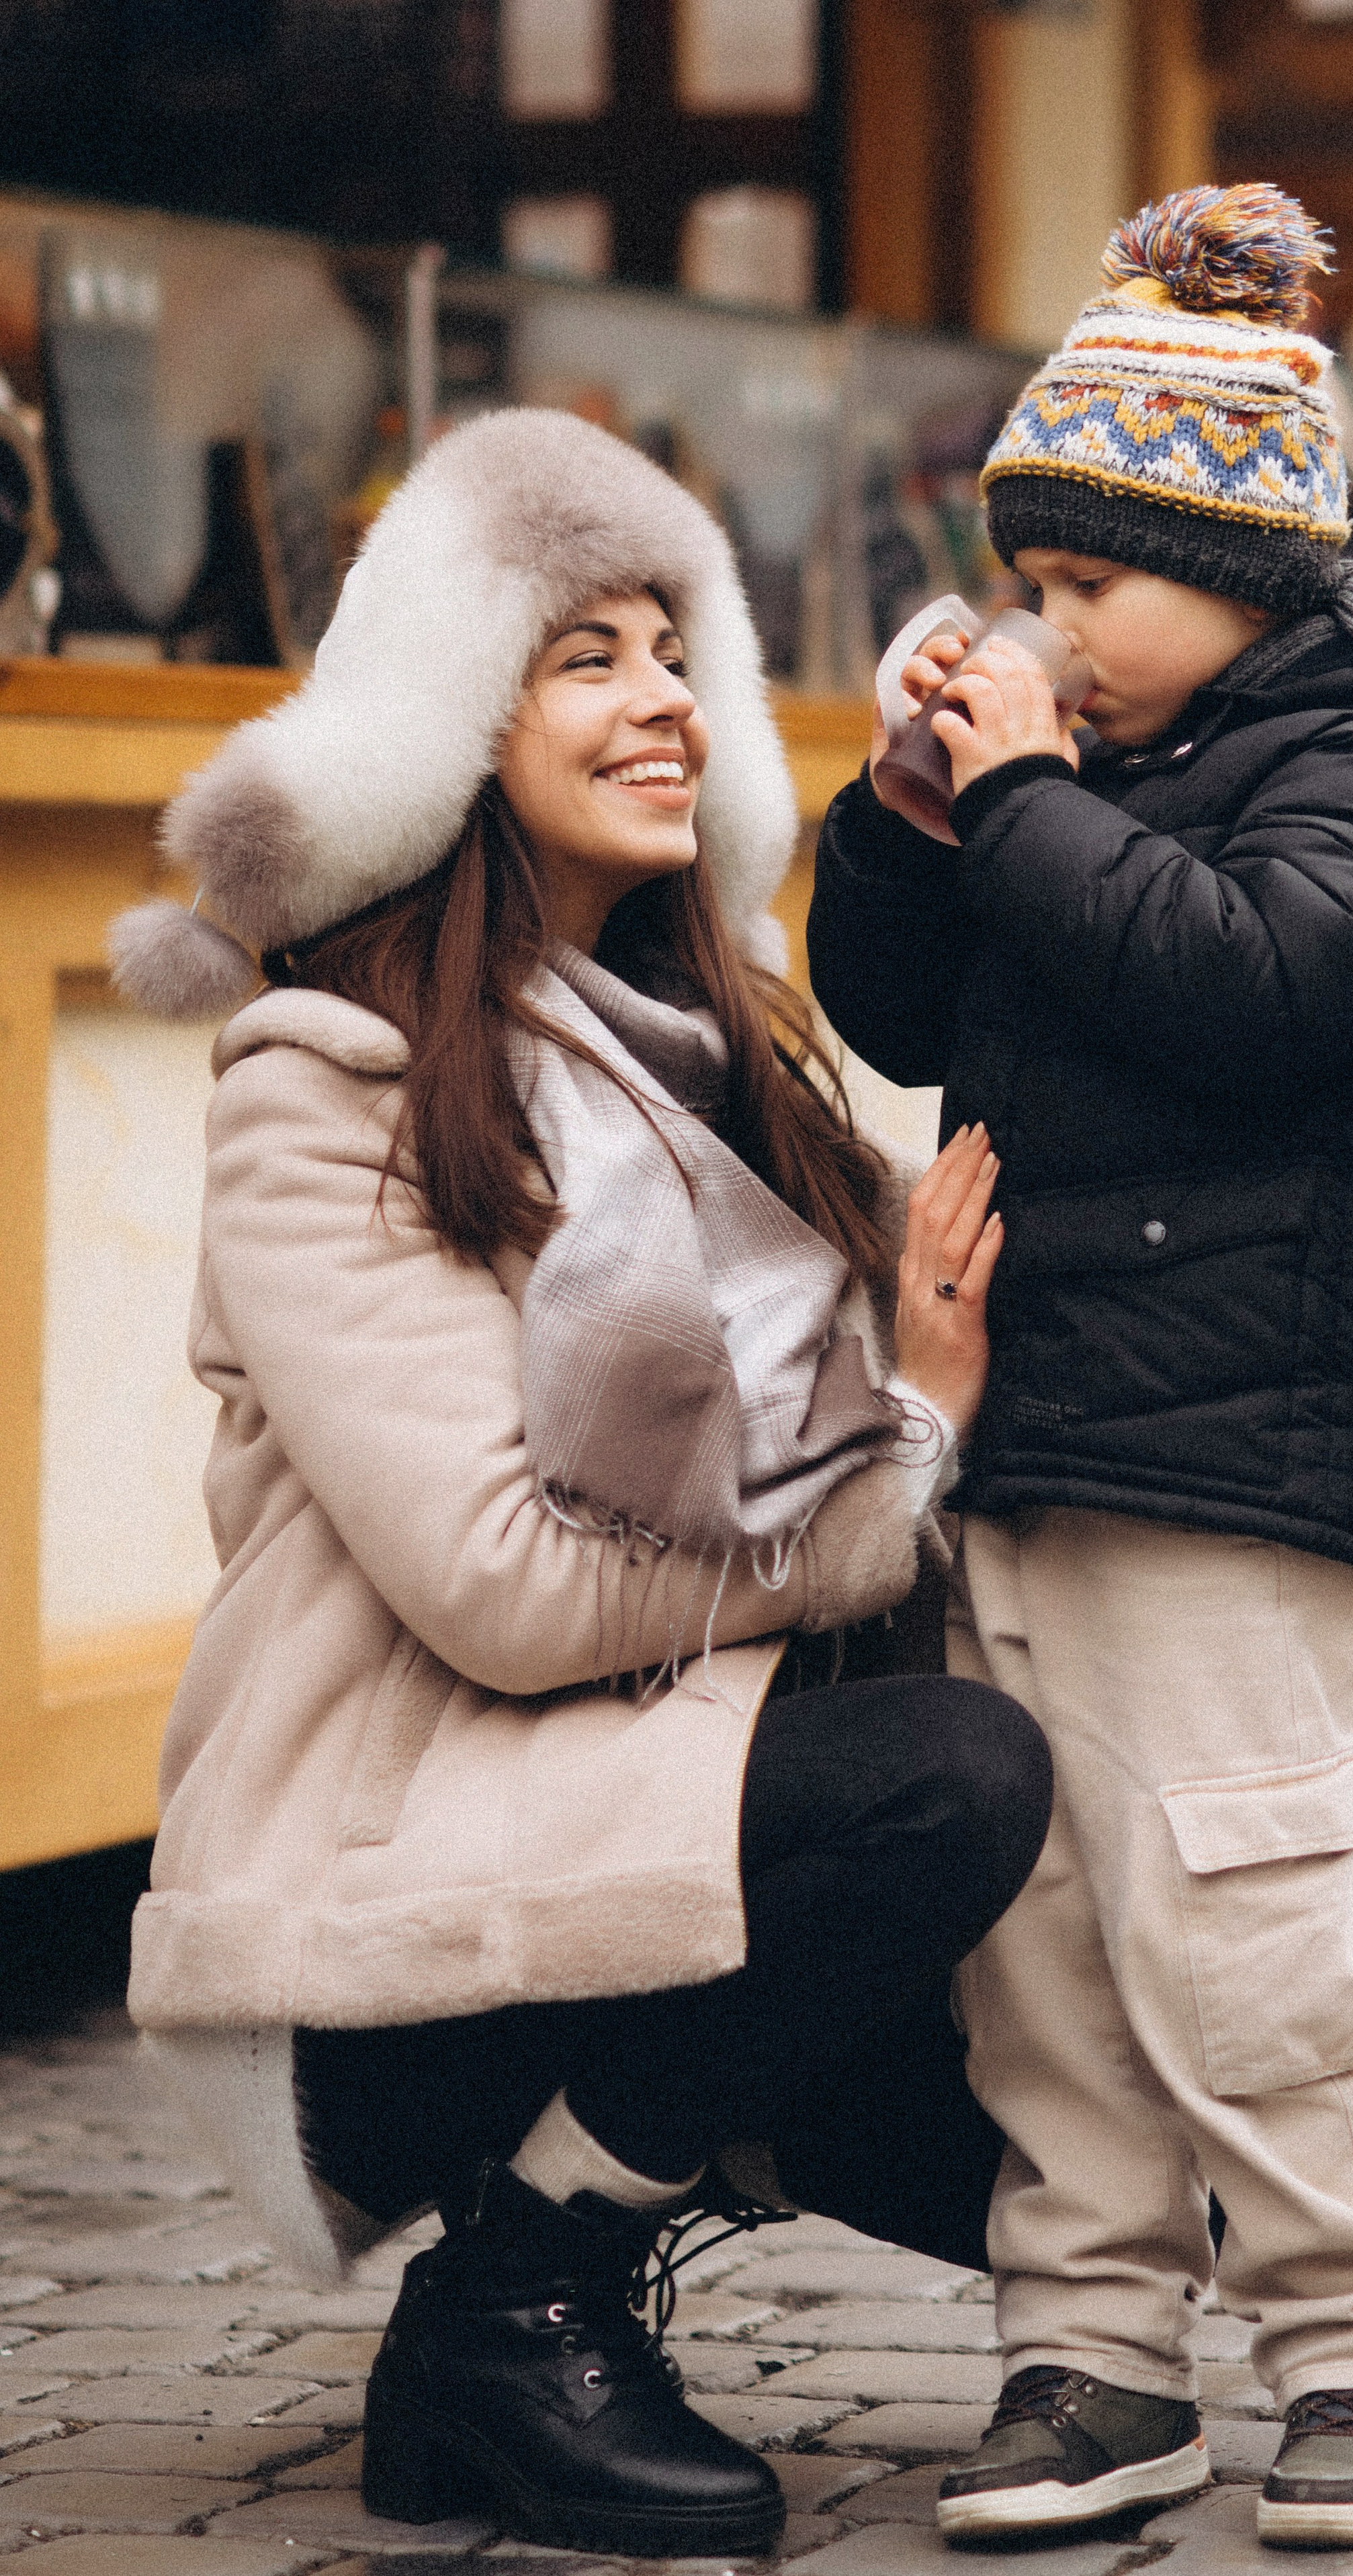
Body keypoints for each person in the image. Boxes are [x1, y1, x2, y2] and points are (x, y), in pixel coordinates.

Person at [110, 408, 1052, 2563]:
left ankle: (578, 2265)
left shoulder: (721, 1065)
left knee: (1109, 2162)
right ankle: (513, 2292)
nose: (664, 706)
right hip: (393, 1931)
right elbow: (510, 1596)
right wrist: (896, 1446)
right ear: (456, 721)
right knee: (946, 1776)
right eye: (586, 658)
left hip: (625, 1824)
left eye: (671, 651)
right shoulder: (321, 1102)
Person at [809, 184, 1353, 2549]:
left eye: (1083, 589)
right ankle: (1095, 2356)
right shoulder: (1085, 773)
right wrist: (924, 827)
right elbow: (895, 1016)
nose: (1047, 632)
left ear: (1238, 565)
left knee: (1252, 1932)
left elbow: (1265, 986)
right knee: (1045, 1959)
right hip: (1035, 1430)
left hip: (1245, 1460)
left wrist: (1026, 794)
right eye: (1026, 589)